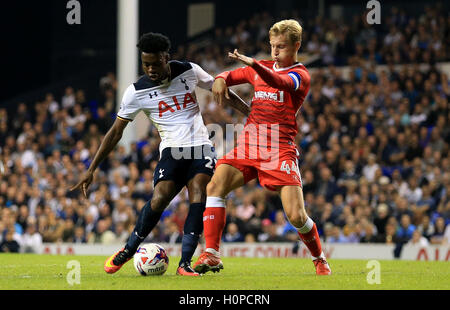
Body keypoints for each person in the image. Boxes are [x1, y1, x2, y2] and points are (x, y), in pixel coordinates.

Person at [70, 32, 248, 276]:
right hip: (171, 151)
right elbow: (115, 132)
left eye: (156, 63)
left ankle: (184, 264)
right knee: (160, 197)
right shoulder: (136, 91)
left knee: (198, 195)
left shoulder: (189, 71)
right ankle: (129, 249)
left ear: (167, 57)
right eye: (146, 64)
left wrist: (250, 113)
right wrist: (91, 168)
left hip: (200, 146)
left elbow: (222, 92)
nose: (151, 69)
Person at [193, 20, 331, 275]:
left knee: (297, 216)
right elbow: (228, 76)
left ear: (296, 46)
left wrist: (254, 64)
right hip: (250, 142)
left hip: (279, 148)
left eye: (282, 46)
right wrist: (222, 78)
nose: (276, 51)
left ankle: (319, 258)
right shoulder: (261, 67)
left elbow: (280, 83)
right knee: (214, 186)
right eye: (273, 46)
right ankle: (211, 253)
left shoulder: (301, 75)